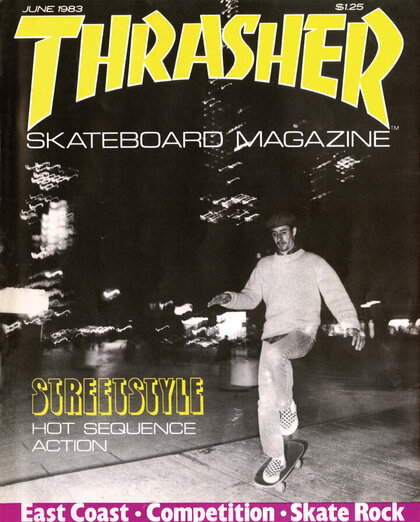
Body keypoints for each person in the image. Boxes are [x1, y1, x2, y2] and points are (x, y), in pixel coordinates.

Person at [208, 211, 365, 485]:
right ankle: (276, 457)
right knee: (263, 404)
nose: (280, 239)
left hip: (302, 333)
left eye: (284, 233)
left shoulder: (313, 262)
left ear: (294, 232)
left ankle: (287, 406)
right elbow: (251, 297)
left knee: (276, 355)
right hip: (271, 337)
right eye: (275, 235)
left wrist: (351, 324)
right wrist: (229, 298)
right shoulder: (265, 266)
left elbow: (336, 295)